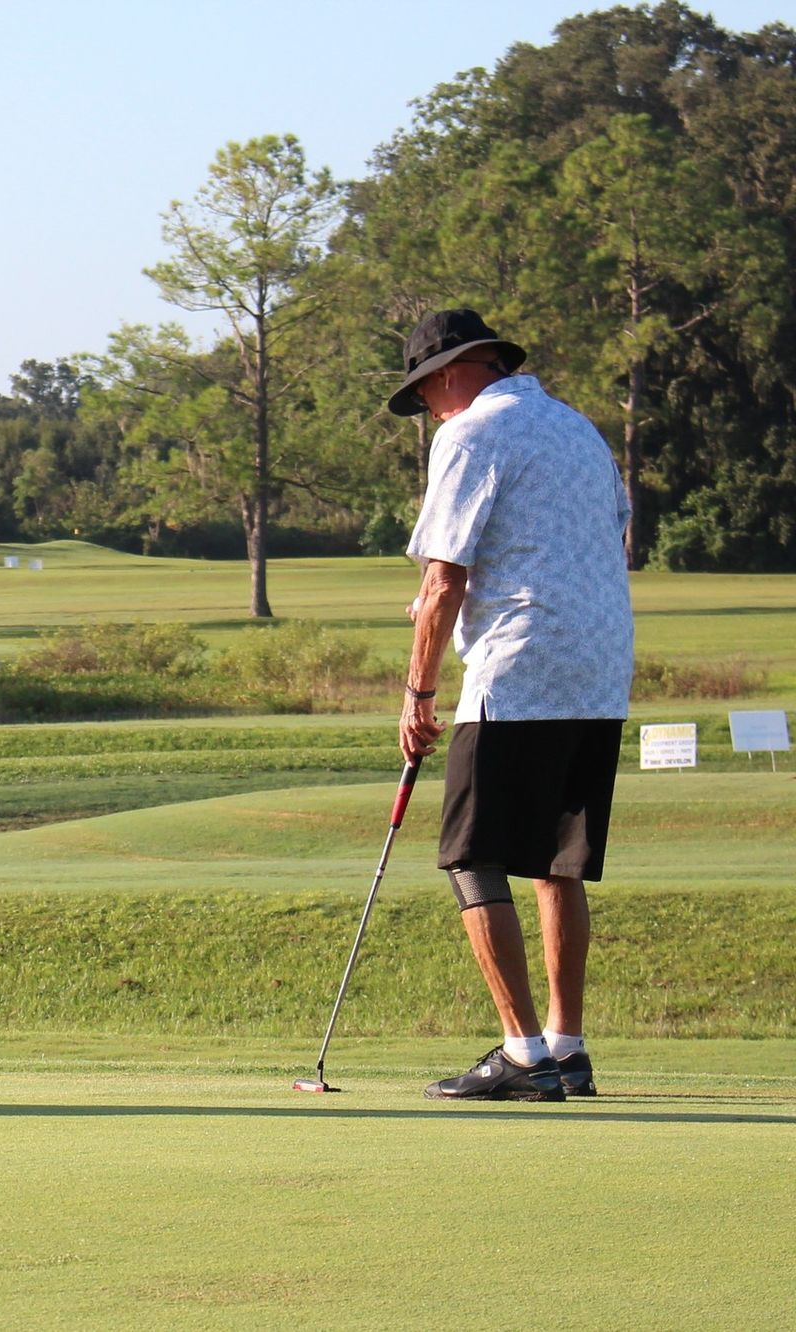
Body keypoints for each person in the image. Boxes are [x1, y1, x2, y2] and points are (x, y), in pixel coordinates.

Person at [389, 309, 634, 1102]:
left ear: (451, 372)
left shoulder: (467, 435)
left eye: (423, 391)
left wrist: (418, 692)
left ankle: (524, 1053)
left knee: (471, 856)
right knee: (557, 861)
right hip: (599, 668)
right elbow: (612, 535)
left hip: (519, 665)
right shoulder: (580, 431)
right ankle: (567, 1047)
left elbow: (443, 580)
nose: (427, 407)